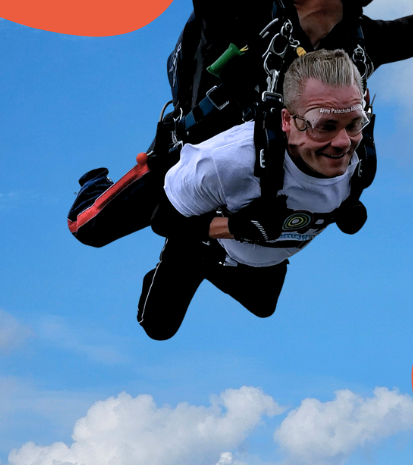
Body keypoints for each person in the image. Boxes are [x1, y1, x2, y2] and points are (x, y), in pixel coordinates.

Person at [66, 0, 413, 247]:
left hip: (265, 176)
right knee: (89, 230)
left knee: (262, 263)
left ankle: (210, 253)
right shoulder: (240, 1)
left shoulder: (358, 42)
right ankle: (96, 184)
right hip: (193, 155)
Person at [138, 49, 368, 340]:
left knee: (263, 306)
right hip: (205, 239)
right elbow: (162, 221)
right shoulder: (227, 161)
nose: (342, 143)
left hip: (266, 250)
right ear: (288, 121)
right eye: (325, 127)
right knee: (157, 327)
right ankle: (195, 254)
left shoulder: (361, 156)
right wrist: (234, 227)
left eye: (353, 124)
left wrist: (344, 209)